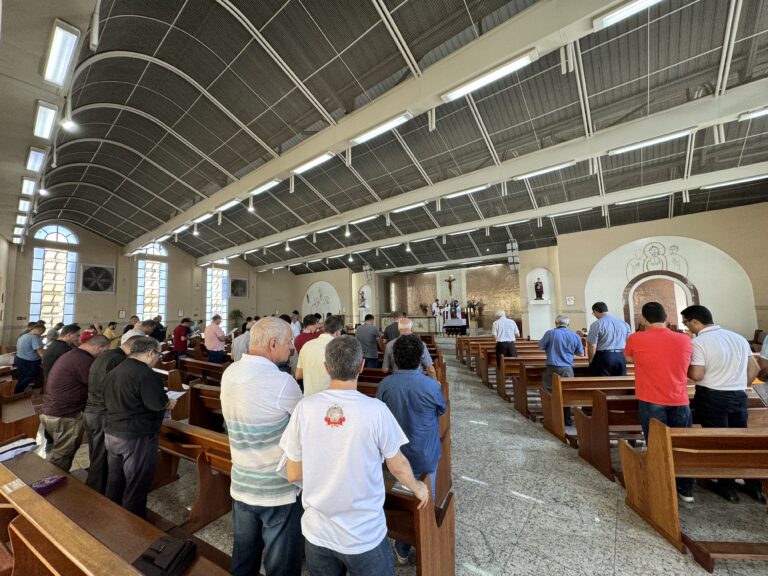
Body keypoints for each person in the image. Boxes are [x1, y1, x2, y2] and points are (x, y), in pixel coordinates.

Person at [279, 336, 429, 576]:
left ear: (326, 368)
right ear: (361, 366)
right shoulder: (375, 410)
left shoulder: (304, 408)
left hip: (318, 532)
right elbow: (398, 464)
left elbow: (293, 473)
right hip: (363, 534)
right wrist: (417, 487)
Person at [221, 317, 303, 576]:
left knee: (244, 557)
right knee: (281, 564)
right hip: (275, 488)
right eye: (289, 342)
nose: (291, 347)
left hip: (242, 481)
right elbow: (305, 425)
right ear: (272, 343)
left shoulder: (230, 372)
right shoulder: (281, 382)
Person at [682, 304, 763, 503]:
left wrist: (685, 370)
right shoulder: (737, 338)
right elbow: (754, 368)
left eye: (686, 323)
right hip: (738, 394)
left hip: (713, 396)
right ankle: (754, 486)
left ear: (695, 321)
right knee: (740, 439)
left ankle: (727, 487)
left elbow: (697, 374)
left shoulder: (699, 342)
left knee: (718, 440)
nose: (687, 327)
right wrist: (740, 384)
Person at [376, 334, 446, 565]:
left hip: (395, 456)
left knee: (401, 497)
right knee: (425, 498)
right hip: (424, 453)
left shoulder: (386, 385)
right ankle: (424, 541)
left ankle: (403, 543)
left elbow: (379, 415)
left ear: (395, 357)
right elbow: (441, 410)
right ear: (419, 358)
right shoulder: (430, 385)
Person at [624, 302, 694, 502]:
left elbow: (628, 359)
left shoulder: (636, 338)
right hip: (679, 398)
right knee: (681, 443)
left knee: (655, 442)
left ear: (644, 320)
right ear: (667, 317)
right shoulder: (684, 339)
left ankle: (660, 485)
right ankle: (685, 488)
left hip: (651, 398)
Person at [104, 337, 175, 518]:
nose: (158, 358)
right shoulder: (146, 375)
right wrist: (169, 402)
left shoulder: (115, 370)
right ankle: (134, 526)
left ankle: (111, 515)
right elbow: (156, 404)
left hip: (112, 431)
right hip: (136, 435)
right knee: (137, 482)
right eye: (158, 354)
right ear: (150, 352)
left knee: (115, 479)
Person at [40, 335, 109, 472]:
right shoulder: (83, 360)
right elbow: (96, 385)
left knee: (62, 451)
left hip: (53, 410)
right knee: (62, 455)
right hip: (65, 415)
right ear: (97, 347)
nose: (103, 355)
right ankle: (52, 485)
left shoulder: (73, 354)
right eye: (104, 351)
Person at [85, 335, 139, 494]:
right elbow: (120, 389)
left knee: (97, 453)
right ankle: (97, 494)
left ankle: (96, 488)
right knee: (101, 457)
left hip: (93, 410)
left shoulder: (108, 355)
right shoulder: (118, 360)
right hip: (103, 412)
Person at [539, 316, 584, 426]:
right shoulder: (575, 335)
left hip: (552, 366)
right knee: (566, 392)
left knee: (549, 391)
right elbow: (581, 353)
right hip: (567, 368)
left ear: (556, 323)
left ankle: (551, 418)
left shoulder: (550, 333)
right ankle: (566, 419)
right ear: (568, 324)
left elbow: (541, 346)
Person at [296, 316, 343, 395]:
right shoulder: (340, 348)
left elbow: (298, 375)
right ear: (338, 332)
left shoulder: (307, 345)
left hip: (309, 398)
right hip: (330, 398)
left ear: (324, 328)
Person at [586, 302, 631, 376]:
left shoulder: (597, 324)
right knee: (620, 382)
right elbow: (628, 341)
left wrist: (591, 360)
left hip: (604, 356)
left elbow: (592, 345)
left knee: (602, 383)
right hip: (621, 356)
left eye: (593, 313)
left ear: (596, 311)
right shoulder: (623, 323)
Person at [13, 323, 45, 393]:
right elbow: (41, 353)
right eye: (42, 333)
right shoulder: (34, 337)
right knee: (30, 376)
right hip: (29, 362)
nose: (41, 335)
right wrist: (46, 361)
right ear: (39, 330)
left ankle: (17, 389)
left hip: (19, 359)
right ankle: (17, 391)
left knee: (22, 376)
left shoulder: (24, 335)